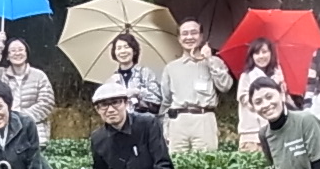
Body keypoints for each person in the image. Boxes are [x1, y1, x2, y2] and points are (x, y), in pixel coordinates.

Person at [160, 18, 233, 153]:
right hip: (178, 121)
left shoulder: (214, 62)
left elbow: (225, 86)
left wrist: (210, 60)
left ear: (201, 36)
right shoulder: (171, 68)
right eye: (185, 33)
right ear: (179, 38)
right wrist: (165, 127)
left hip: (204, 118)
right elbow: (166, 101)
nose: (189, 37)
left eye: (194, 33)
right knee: (177, 162)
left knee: (206, 161)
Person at [89, 81, 175, 169]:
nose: (110, 110)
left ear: (126, 103)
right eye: (104, 105)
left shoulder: (148, 124)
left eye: (116, 103)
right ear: (97, 109)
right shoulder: (98, 138)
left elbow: (162, 164)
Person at [0, 32, 56, 144]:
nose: (17, 53)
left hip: (36, 133)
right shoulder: (1, 75)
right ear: (7, 56)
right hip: (6, 133)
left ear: (26, 53)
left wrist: (19, 117)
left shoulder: (39, 76)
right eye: (13, 50)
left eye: (21, 50)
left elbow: (46, 104)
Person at [236, 38, 287, 151]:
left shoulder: (277, 75)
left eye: (264, 52)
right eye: (257, 53)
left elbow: (281, 104)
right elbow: (246, 101)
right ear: (252, 56)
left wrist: (280, 86)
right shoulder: (247, 76)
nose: (261, 56)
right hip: (252, 133)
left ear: (271, 53)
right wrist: (267, 90)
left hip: (275, 132)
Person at [104, 32, 163, 115]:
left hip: (145, 120)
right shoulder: (112, 80)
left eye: (126, 47)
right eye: (119, 48)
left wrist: (138, 92)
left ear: (134, 51)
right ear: (114, 53)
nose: (123, 51)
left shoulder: (145, 73)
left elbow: (157, 99)